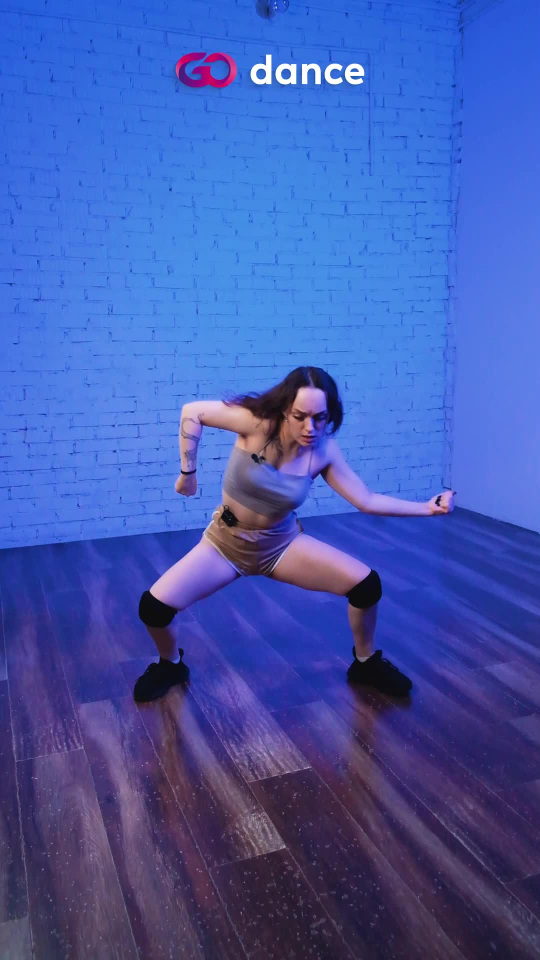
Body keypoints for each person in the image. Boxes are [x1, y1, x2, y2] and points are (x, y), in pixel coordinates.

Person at [134, 366, 455, 702]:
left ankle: (366, 663)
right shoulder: (256, 423)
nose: (310, 428)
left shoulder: (324, 452)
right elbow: (192, 412)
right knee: (153, 608)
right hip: (225, 544)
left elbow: (366, 500)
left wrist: (427, 508)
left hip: (281, 545)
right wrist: (188, 474)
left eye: (320, 417)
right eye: (300, 416)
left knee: (366, 586)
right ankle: (170, 665)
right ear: (285, 409)